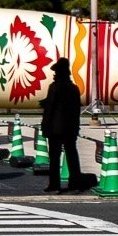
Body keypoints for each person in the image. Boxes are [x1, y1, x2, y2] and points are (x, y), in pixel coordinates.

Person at [41, 56, 85, 192]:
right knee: (72, 155)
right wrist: (76, 127)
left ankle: (54, 184)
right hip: (70, 128)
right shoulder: (74, 88)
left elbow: (50, 108)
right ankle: (75, 182)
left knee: (54, 157)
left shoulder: (54, 87)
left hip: (55, 128)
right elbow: (76, 110)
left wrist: (44, 125)